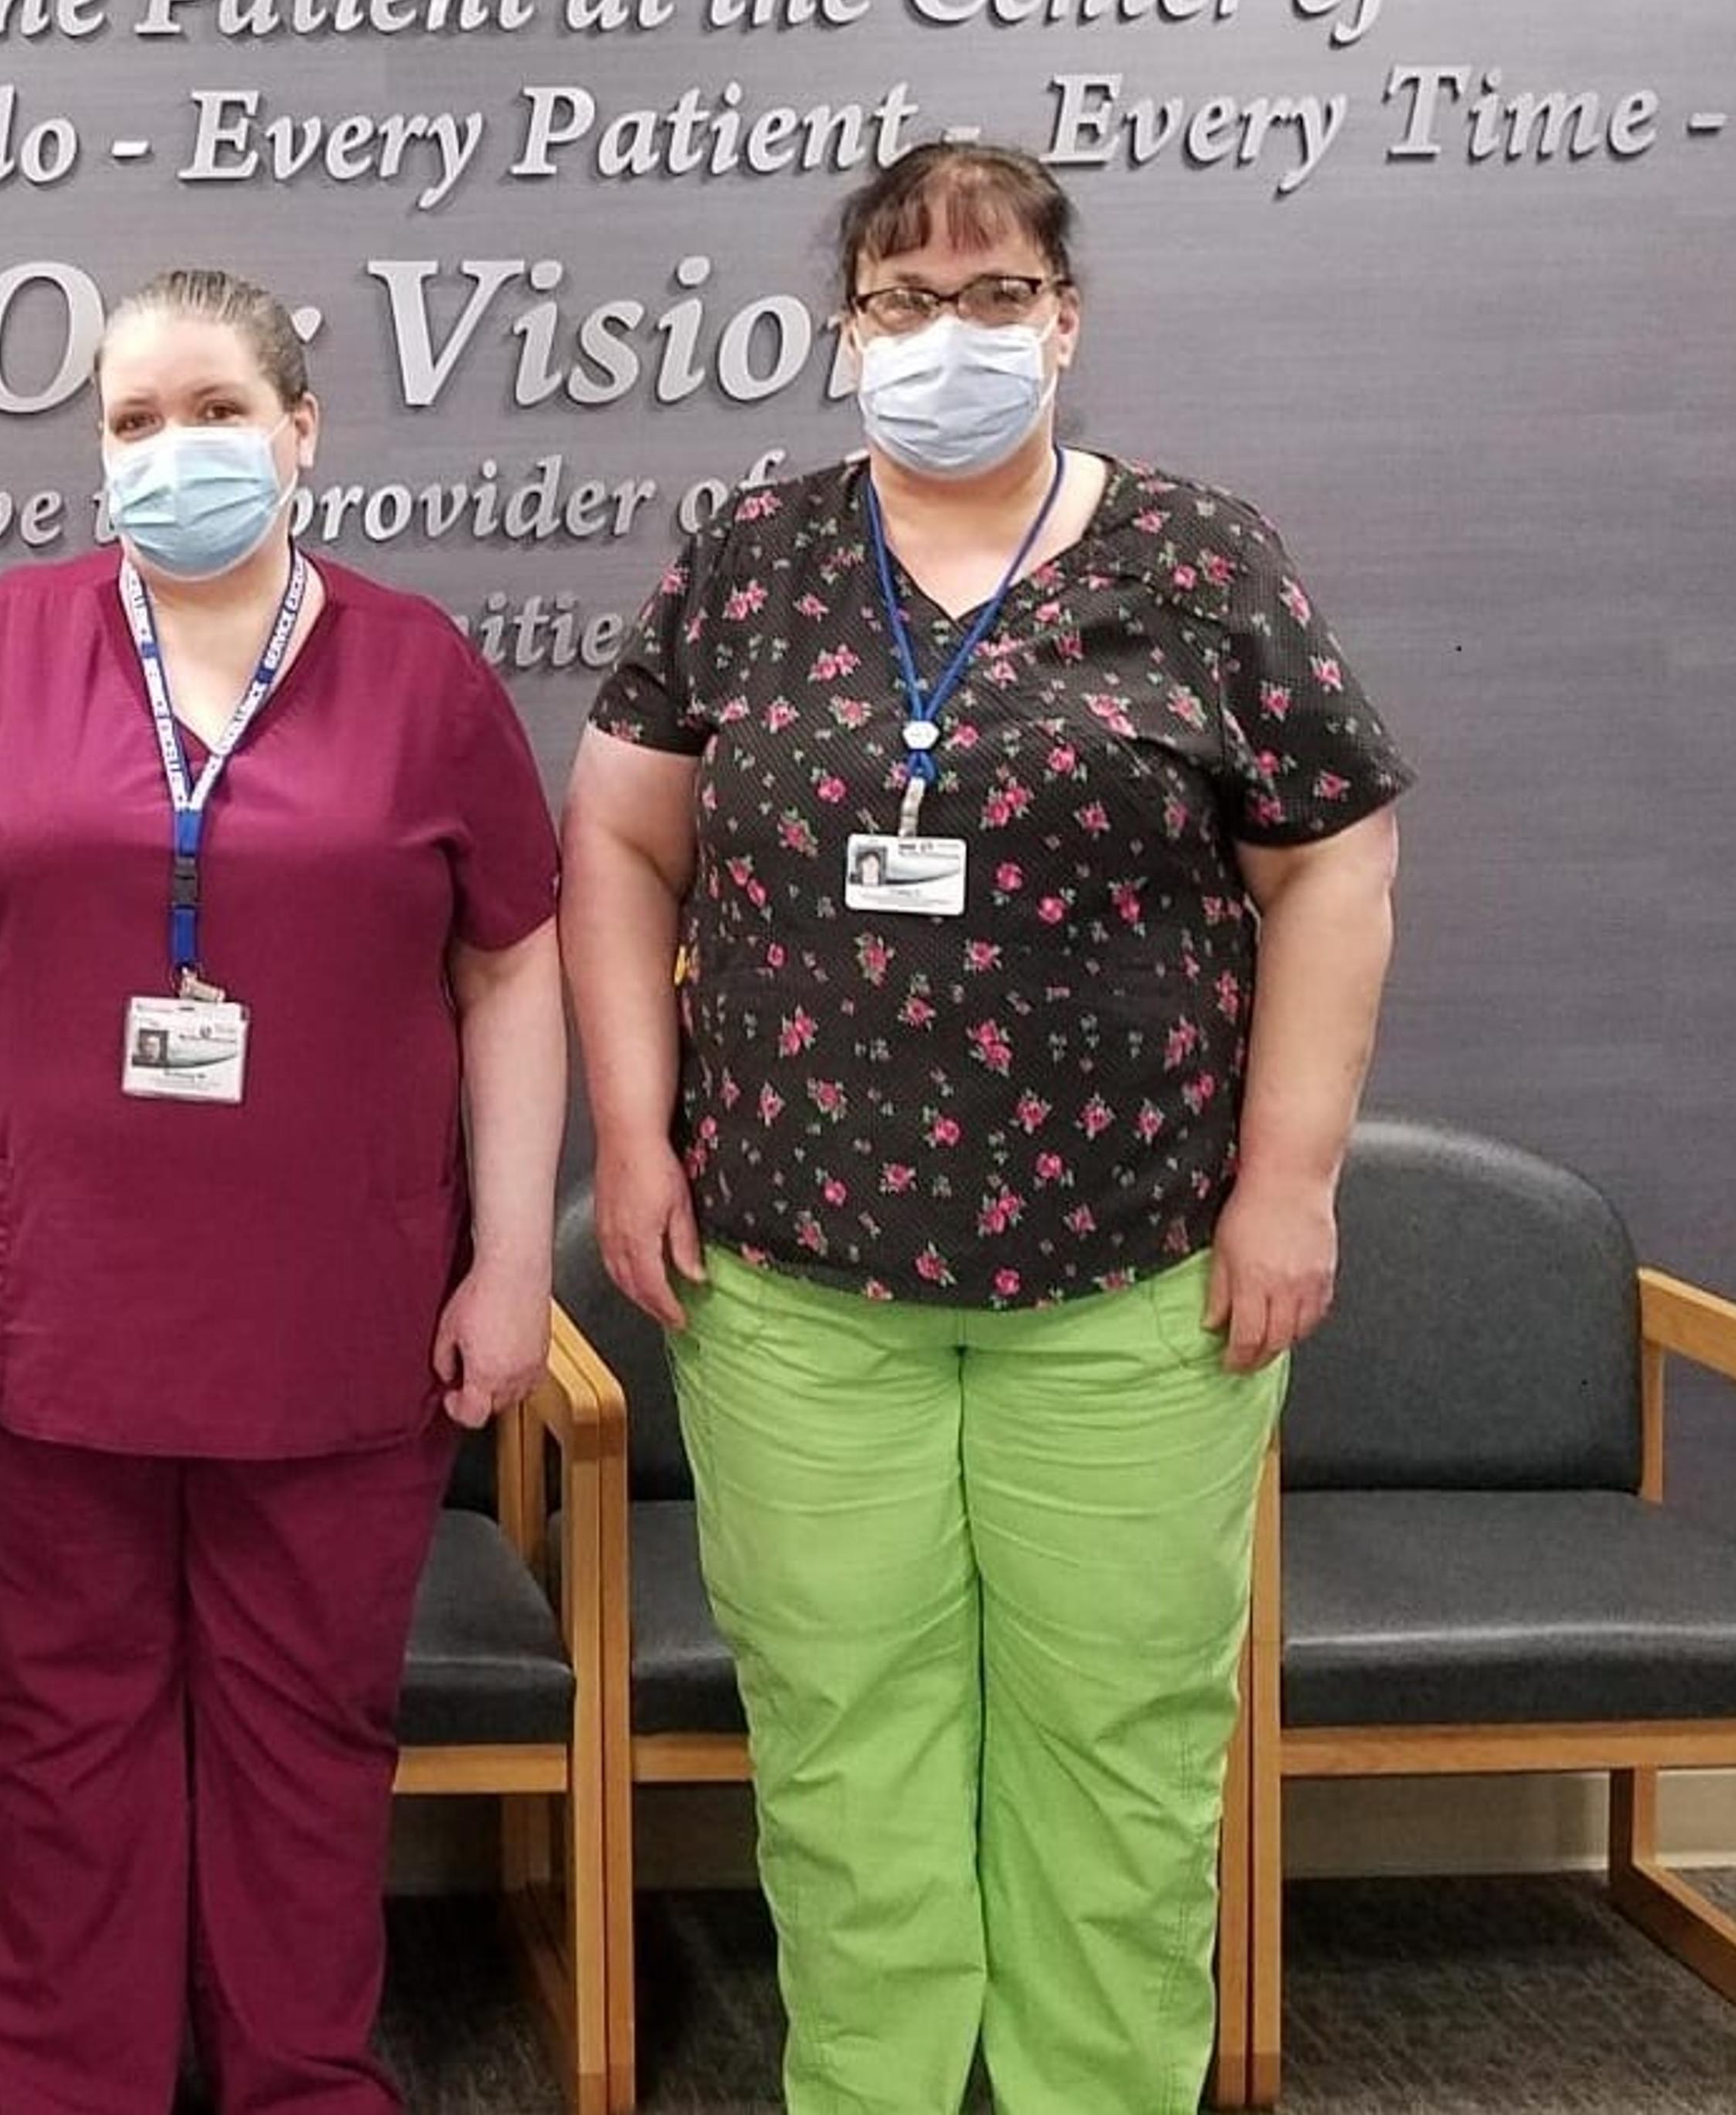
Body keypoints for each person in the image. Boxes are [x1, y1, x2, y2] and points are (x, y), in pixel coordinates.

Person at [560, 143, 1408, 2115]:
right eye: (905, 300)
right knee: (848, 1750)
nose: (952, 336)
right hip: (793, 1278)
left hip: (1136, 1288)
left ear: (1066, 318)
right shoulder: (753, 556)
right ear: (846, 329)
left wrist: (1290, 1187)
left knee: (1115, 1751)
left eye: (996, 295)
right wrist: (631, 1128)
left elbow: (1337, 865)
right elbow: (614, 829)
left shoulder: (1198, 559)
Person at [0, 268, 565, 2115]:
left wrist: (509, 1261)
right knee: (62, 1747)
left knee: (309, 1748)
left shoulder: (418, 671)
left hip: (339, 1323)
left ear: (304, 431)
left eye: (215, 411)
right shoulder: (3, 643)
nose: (175, 452)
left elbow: (514, 969)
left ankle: (299, 2082)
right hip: (36, 1307)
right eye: (134, 424)